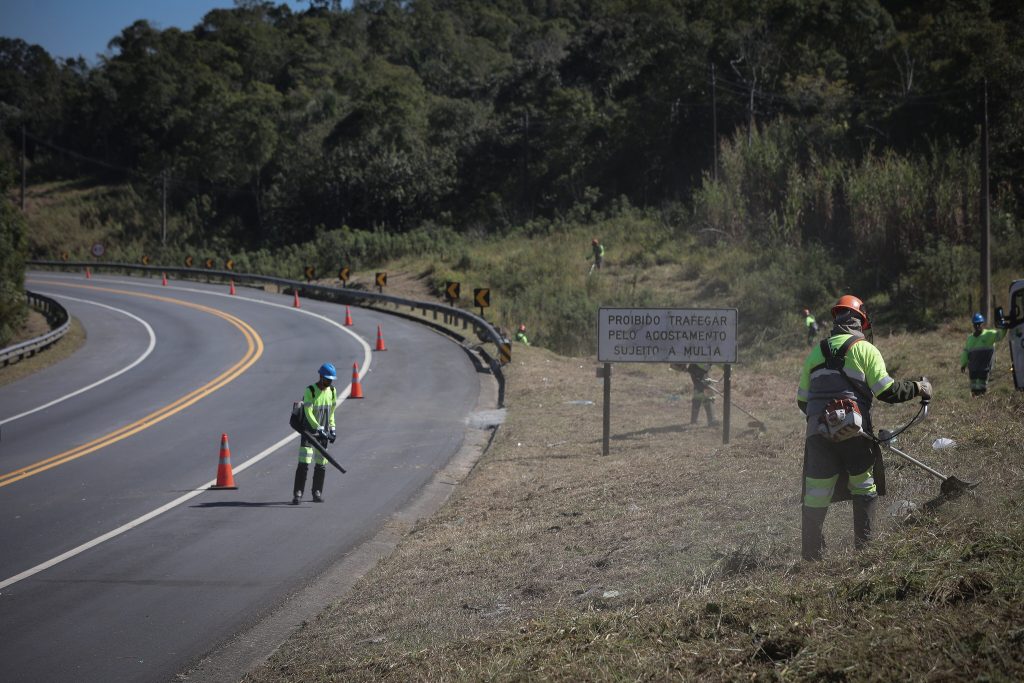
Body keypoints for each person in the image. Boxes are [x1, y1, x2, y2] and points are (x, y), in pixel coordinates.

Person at [797, 294, 931, 561]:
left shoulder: (816, 351)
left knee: (815, 495)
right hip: (855, 435)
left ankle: (812, 557)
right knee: (864, 486)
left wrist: (826, 422)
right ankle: (865, 551)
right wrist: (919, 387)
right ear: (861, 322)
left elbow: (803, 400)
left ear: (837, 320)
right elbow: (887, 391)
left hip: (818, 435)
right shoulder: (865, 349)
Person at [293, 363, 338, 504]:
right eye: (326, 380)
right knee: (304, 462)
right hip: (309, 433)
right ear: (320, 377)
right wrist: (318, 428)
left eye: (330, 380)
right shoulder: (310, 391)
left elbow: (331, 412)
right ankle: (298, 493)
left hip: (323, 433)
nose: (328, 383)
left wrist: (333, 429)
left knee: (321, 463)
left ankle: (317, 492)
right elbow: (308, 412)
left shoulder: (332, 391)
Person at [960, 312, 1007, 396]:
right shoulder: (970, 338)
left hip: (984, 368)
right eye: (975, 324)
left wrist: (1004, 327)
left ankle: (982, 403)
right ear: (973, 325)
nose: (977, 326)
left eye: (979, 324)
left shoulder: (989, 334)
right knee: (974, 389)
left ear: (982, 324)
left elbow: (1000, 335)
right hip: (973, 369)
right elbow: (966, 352)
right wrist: (963, 364)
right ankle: (975, 405)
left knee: (982, 389)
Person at [685, 362, 717, 427]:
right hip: (698, 370)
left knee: (699, 392)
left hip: (698, 370)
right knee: (707, 393)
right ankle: (711, 421)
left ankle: (694, 420)